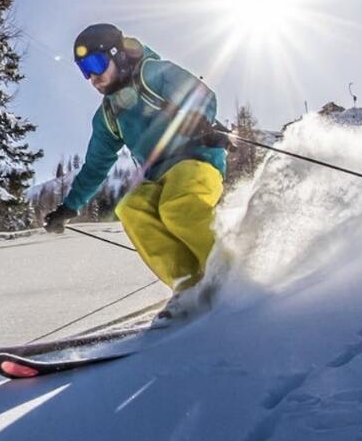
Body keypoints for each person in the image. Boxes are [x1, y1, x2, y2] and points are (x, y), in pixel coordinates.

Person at [44, 23, 229, 318]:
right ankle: (188, 285)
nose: (92, 77)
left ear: (117, 54)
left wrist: (197, 118)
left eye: (96, 63)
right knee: (131, 208)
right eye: (84, 69)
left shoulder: (152, 73)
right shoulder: (108, 115)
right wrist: (69, 207)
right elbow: (95, 166)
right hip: (157, 175)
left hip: (197, 157)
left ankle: (228, 277)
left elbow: (200, 94)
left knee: (177, 206)